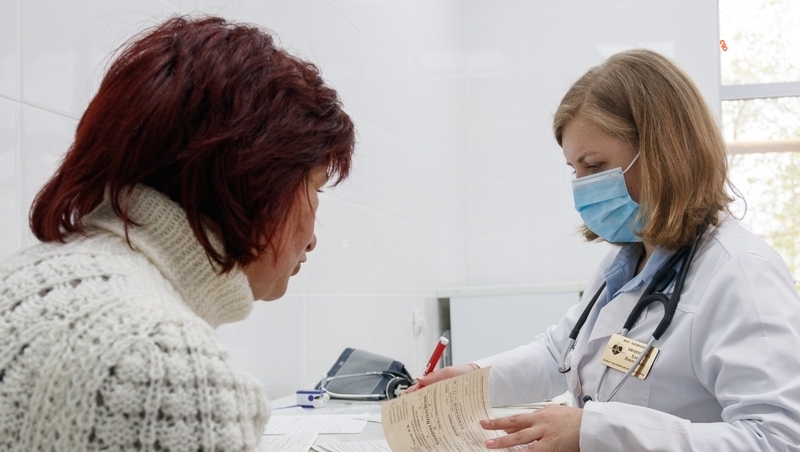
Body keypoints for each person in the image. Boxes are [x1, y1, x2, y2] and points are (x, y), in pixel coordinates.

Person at [408, 49, 800, 451]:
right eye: (574, 170)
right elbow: (559, 354)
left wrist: (595, 431)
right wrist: (472, 380)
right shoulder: (625, 264)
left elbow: (778, 439)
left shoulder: (740, 273)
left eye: (594, 167)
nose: (582, 187)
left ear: (665, 153)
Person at [0, 16, 354, 451]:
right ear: (256, 181)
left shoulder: (17, 282)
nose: (313, 239)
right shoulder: (175, 372)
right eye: (315, 188)